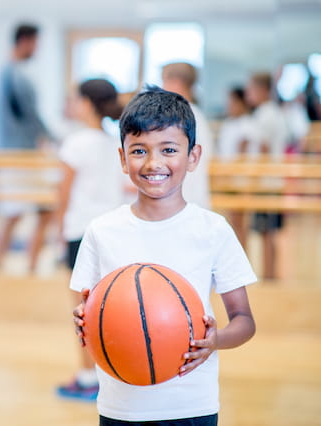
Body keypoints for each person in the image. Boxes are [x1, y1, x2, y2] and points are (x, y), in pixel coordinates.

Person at [71, 87, 257, 425]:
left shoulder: (213, 230)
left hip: (191, 405)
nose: (154, 163)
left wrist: (215, 340)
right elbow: (88, 311)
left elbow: (244, 321)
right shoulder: (101, 230)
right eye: (139, 150)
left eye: (169, 149)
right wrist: (87, 319)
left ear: (193, 156)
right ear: (123, 158)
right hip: (120, 406)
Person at [54, 79, 124, 401]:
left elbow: (63, 193)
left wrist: (58, 229)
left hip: (80, 232)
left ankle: (87, 376)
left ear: (86, 103)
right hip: (111, 232)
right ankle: (108, 373)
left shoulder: (75, 142)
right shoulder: (115, 142)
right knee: (108, 310)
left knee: (84, 311)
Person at [0, 23, 53, 273]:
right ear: (25, 41)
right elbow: (31, 117)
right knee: (15, 213)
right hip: (17, 156)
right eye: (36, 43)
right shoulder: (13, 76)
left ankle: (25, 266)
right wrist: (51, 138)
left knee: (40, 211)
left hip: (11, 154)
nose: (37, 49)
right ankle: (2, 266)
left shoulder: (0, 75)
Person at [245, 72, 289, 280]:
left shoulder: (265, 114)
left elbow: (262, 148)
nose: (248, 93)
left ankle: (270, 276)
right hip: (272, 180)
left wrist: (254, 179)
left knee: (267, 231)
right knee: (268, 232)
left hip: (266, 181)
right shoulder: (273, 112)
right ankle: (270, 274)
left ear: (262, 89)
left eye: (251, 89)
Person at [162, 62, 213, 209]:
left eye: (164, 82)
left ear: (175, 83)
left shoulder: (177, 117)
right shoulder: (197, 116)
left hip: (181, 198)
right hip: (192, 198)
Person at [216, 87, 253, 247]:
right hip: (227, 176)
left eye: (232, 102)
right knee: (231, 223)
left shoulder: (246, 124)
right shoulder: (230, 123)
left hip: (238, 179)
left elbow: (242, 152)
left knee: (238, 224)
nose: (229, 105)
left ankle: (242, 256)